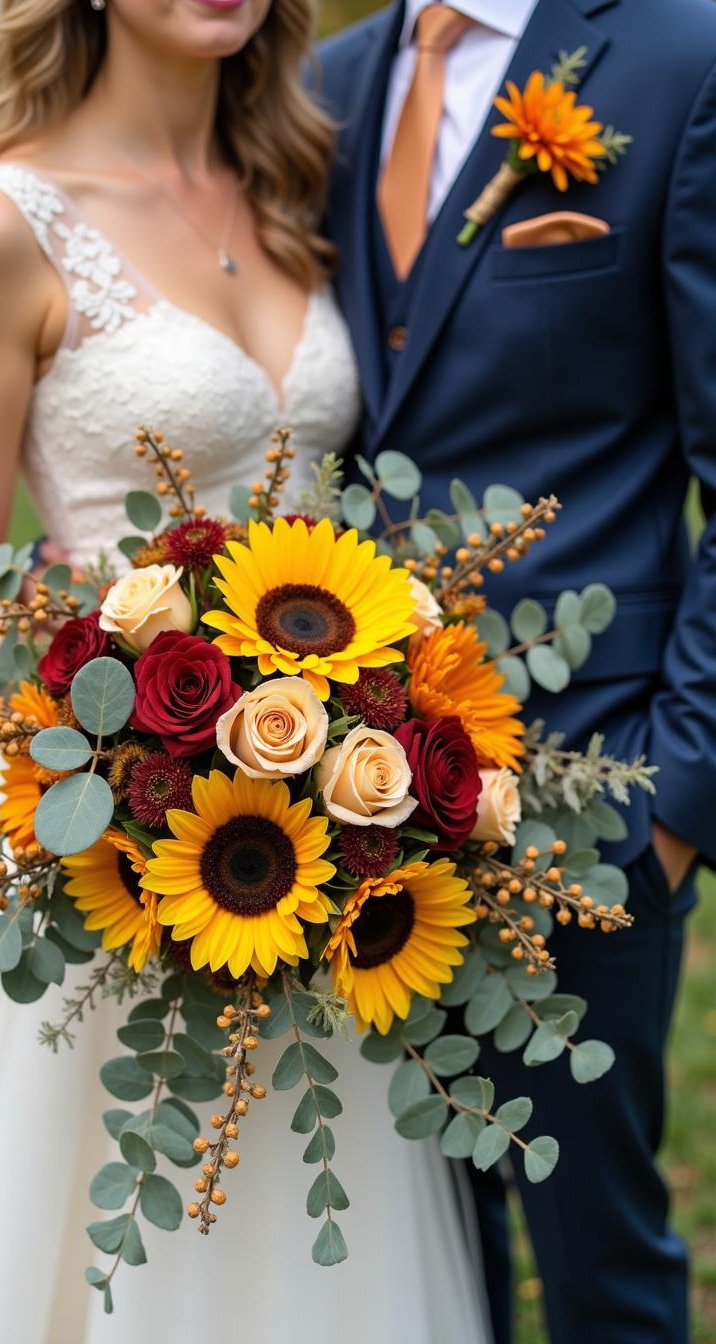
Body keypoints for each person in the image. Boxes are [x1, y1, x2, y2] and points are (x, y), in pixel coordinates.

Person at [0, 3, 492, 1342]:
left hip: (320, 830)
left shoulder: (300, 188)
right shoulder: (0, 226)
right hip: (99, 812)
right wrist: (132, 732)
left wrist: (342, 734)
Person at [316, 0, 716, 1340]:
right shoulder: (322, 80)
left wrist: (667, 808)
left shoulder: (683, 55)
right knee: (411, 1256)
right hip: (331, 793)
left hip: (586, 792)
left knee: (599, 1259)